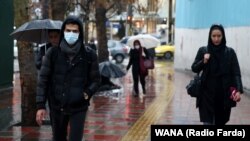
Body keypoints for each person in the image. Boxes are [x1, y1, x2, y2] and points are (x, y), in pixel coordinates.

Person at [36, 15, 100, 141]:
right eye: (68, 30)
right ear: (63, 32)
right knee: (58, 138)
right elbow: (43, 81)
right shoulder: (52, 53)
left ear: (80, 33)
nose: (71, 34)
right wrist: (40, 106)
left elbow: (96, 80)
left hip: (79, 106)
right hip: (57, 105)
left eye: (75, 31)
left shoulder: (89, 54)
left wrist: (87, 93)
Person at [191, 24, 243, 125]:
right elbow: (194, 68)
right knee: (208, 124)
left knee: (221, 123)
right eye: (213, 36)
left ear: (223, 36)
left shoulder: (230, 52)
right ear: (210, 37)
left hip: (223, 95)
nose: (216, 39)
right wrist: (203, 61)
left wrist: (238, 91)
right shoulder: (203, 50)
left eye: (219, 36)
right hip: (206, 96)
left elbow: (236, 72)